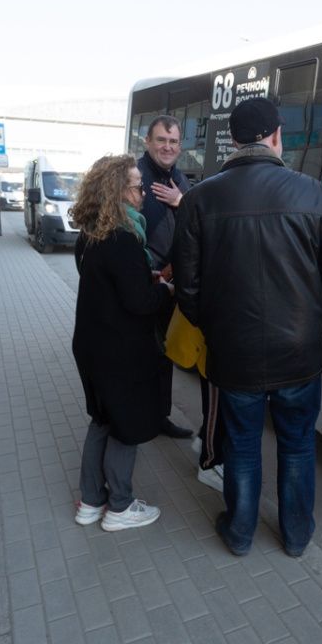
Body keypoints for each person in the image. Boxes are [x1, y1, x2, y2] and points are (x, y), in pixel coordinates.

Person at [173, 97, 322, 557]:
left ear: (233, 139)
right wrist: (312, 320)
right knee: (296, 445)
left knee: (244, 445)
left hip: (234, 353)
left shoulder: (198, 198)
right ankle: (295, 536)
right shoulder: (312, 194)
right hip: (299, 351)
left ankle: (239, 533)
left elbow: (186, 287)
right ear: (276, 136)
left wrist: (213, 325)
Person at [70, 154, 171, 532]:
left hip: (92, 344)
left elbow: (111, 287)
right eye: (135, 185)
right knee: (125, 426)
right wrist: (163, 289)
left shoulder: (91, 234)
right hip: (120, 349)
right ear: (117, 191)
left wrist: (145, 278)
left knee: (102, 419)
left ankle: (91, 500)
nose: (141, 192)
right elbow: (139, 303)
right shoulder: (123, 239)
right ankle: (120, 507)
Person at [137, 116, 193, 440]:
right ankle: (142, 415)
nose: (167, 147)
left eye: (173, 142)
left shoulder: (180, 179)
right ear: (148, 141)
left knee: (164, 353)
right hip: (145, 282)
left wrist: (180, 202)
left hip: (170, 284)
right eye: (161, 140)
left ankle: (160, 416)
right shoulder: (135, 177)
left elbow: (196, 221)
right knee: (143, 353)